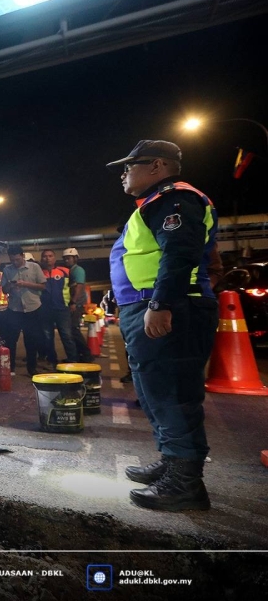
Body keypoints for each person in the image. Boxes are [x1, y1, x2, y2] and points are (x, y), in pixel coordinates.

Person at [108, 139, 218, 512]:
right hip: (147, 308)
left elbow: (180, 252)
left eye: (129, 165)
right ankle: (173, 463)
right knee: (154, 390)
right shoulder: (153, 204)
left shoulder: (174, 199)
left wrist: (161, 303)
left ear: (156, 166)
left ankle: (186, 484)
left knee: (173, 394)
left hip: (168, 308)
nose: (124, 173)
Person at [1, 245, 47, 376]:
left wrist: (25, 284)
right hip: (14, 309)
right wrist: (10, 284)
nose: (15, 263)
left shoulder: (34, 267)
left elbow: (43, 286)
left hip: (33, 308)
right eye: (12, 260)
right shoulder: (7, 270)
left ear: (22, 256)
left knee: (31, 340)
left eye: (17, 260)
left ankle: (32, 368)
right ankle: (11, 368)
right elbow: (4, 290)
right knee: (11, 340)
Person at [39, 249, 78, 366]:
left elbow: (74, 288)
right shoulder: (39, 273)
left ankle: (73, 359)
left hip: (62, 309)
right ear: (41, 259)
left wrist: (73, 302)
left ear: (55, 258)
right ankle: (52, 360)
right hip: (45, 309)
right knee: (47, 337)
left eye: (50, 256)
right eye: (45, 256)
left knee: (66, 335)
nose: (47, 258)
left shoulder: (65, 271)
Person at [62, 247, 93, 362]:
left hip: (76, 303)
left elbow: (79, 287)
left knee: (73, 329)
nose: (66, 260)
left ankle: (86, 354)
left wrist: (73, 302)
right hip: (73, 303)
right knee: (71, 330)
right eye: (65, 258)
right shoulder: (70, 271)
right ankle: (79, 355)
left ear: (75, 258)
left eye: (69, 258)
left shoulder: (78, 270)